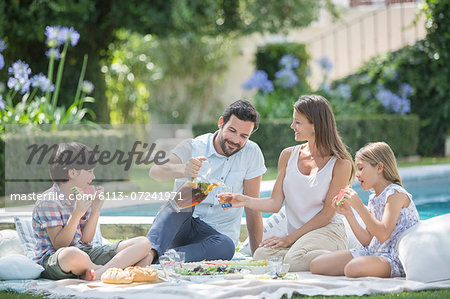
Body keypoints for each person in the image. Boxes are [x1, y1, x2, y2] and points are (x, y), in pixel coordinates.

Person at [227, 95, 354, 271]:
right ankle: (324, 260)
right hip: (300, 239)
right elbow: (275, 203)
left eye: (298, 122)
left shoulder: (340, 164)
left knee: (293, 259)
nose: (292, 126)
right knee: (261, 254)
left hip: (328, 232)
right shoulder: (288, 155)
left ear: (315, 125)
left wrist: (288, 239)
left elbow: (326, 215)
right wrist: (245, 200)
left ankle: (350, 257)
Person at [146, 99, 266, 263]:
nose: (236, 140)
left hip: (215, 239)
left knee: (227, 246)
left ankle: (162, 259)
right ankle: (148, 252)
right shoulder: (193, 146)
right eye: (232, 130)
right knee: (178, 205)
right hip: (182, 227)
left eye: (244, 136)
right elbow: (156, 171)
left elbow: (252, 208)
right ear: (221, 123)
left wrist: (257, 256)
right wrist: (183, 169)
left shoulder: (252, 153)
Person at [32, 142, 152, 281]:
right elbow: (60, 245)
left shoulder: (81, 196)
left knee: (144, 243)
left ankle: (98, 273)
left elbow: (85, 240)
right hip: (56, 260)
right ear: (72, 173)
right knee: (72, 255)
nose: (93, 177)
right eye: (89, 172)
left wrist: (95, 210)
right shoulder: (49, 201)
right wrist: (77, 214)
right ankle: (108, 271)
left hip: (85, 253)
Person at [310, 142, 419, 278]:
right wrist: (349, 214)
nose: (357, 174)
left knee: (352, 268)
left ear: (379, 168)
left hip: (392, 258)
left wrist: (359, 206)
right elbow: (368, 240)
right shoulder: (374, 197)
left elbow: (383, 234)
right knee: (317, 265)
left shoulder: (395, 195)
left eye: (361, 168)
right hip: (372, 251)